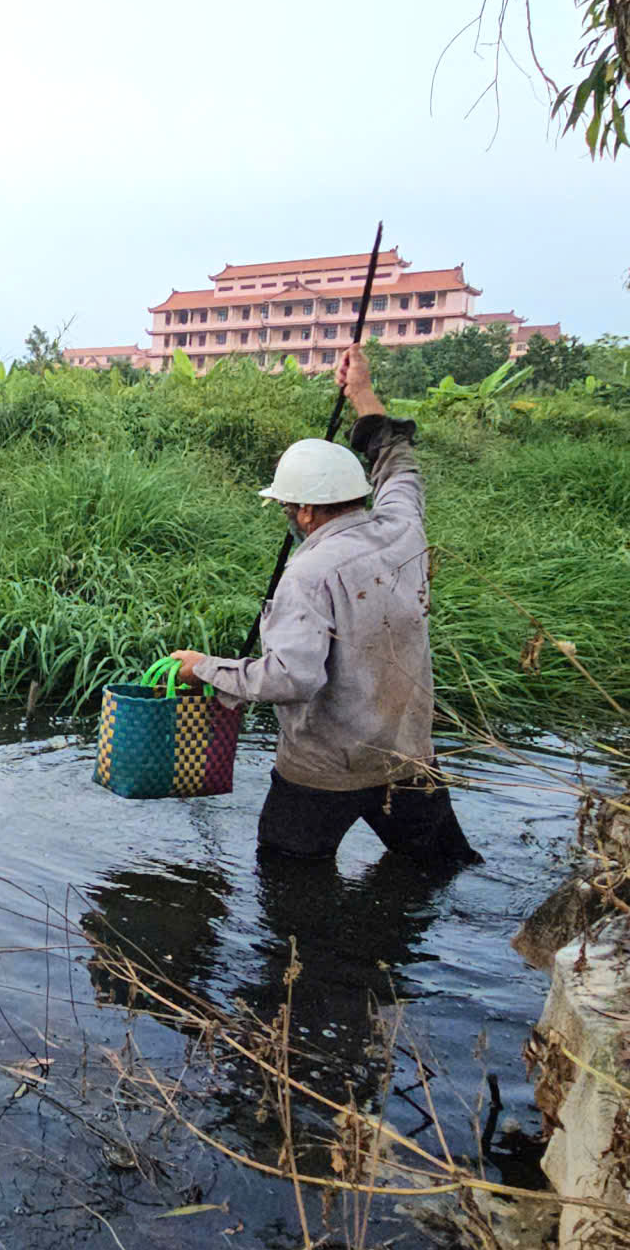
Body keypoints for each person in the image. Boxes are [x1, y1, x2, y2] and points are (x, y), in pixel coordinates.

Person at [166, 345, 478, 864]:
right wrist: (362, 394)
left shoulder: (308, 573)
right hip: (407, 759)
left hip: (321, 772)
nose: (287, 514)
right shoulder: (403, 526)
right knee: (436, 871)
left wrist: (206, 670)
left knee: (288, 882)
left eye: (287, 505)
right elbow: (398, 463)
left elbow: (292, 679)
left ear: (306, 510)